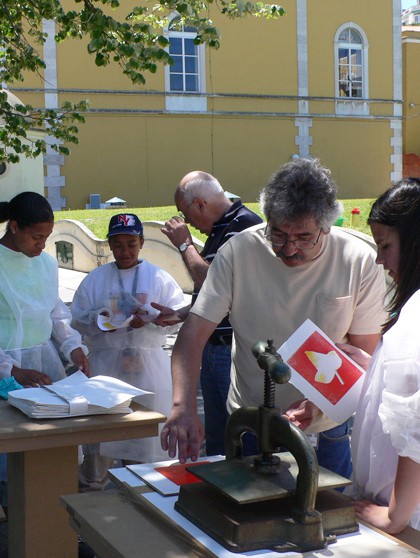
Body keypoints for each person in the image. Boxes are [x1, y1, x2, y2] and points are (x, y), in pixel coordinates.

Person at [161, 158, 387, 479]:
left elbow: (364, 356)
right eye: (278, 235)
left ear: (327, 226)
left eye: (304, 237)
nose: (289, 249)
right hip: (251, 419)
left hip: (327, 425)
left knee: (329, 511)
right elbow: (193, 333)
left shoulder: (357, 259)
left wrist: (319, 403)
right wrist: (182, 407)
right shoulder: (239, 252)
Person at [71, 213, 185, 488]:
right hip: (107, 367)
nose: (125, 251)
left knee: (148, 445)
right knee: (100, 446)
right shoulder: (96, 279)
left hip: (149, 367)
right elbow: (76, 319)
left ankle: (148, 499)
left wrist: (155, 320)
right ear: (109, 245)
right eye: (118, 244)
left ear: (142, 242)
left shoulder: (158, 277)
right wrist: (100, 321)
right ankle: (91, 505)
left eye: (131, 244)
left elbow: (178, 316)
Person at [159, 171, 262, 456]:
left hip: (231, 351)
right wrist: (182, 313)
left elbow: (212, 282)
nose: (187, 222)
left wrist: (184, 245)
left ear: (201, 204)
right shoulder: (222, 229)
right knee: (219, 442)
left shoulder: (244, 226)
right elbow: (222, 296)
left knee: (240, 440)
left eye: (185, 213)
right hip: (214, 347)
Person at [338, 178, 420, 533]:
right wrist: (375, 370)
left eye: (385, 245)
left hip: (405, 516)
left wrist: (394, 516)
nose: (379, 258)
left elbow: (415, 422)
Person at [0, 191, 89, 509]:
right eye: (36, 237)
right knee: (11, 456)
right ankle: (17, 524)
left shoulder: (46, 264)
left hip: (44, 366)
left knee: (52, 449)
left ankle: (53, 523)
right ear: (13, 227)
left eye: (47, 237)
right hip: (7, 370)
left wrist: (73, 348)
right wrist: (11, 371)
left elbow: (56, 314)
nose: (42, 245)